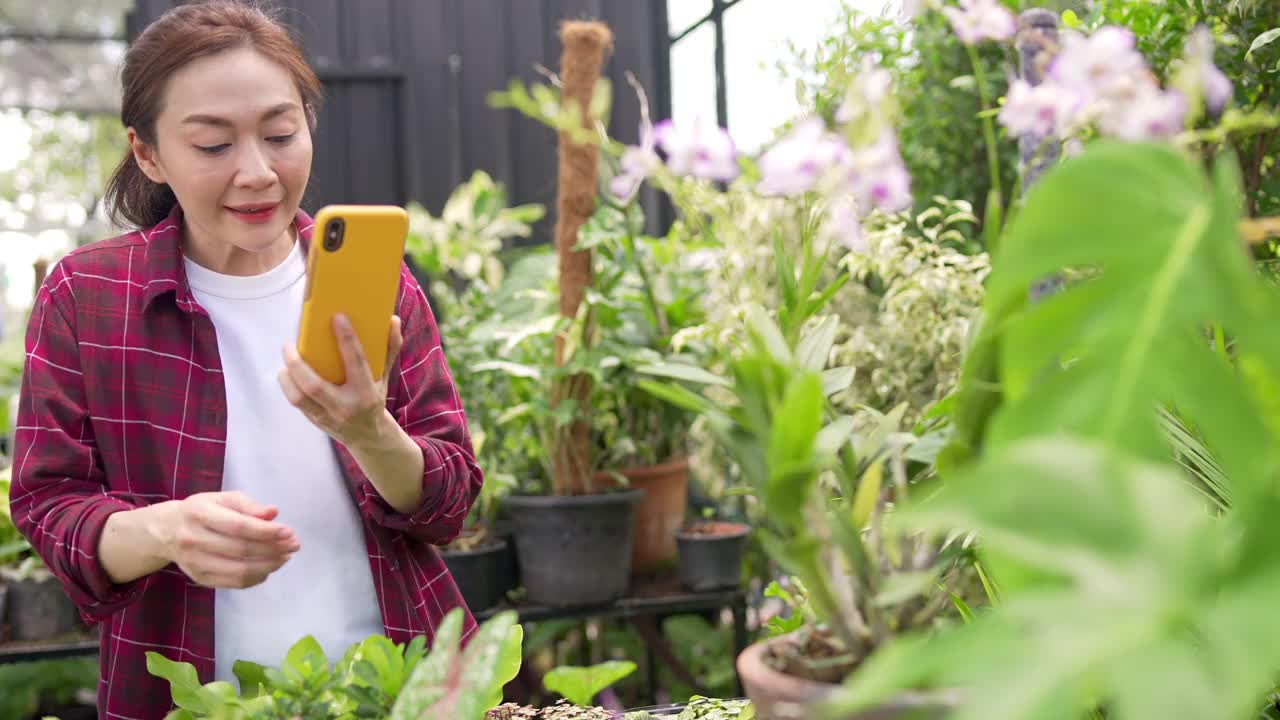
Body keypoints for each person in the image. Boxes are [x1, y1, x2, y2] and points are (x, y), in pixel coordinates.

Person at [7, 3, 483, 718]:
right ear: (148, 153)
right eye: (212, 145)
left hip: (401, 687)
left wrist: (369, 431)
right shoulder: (88, 295)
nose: (258, 172)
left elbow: (449, 506)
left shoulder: (373, 281)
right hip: (192, 698)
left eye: (281, 133)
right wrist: (168, 531)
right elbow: (47, 505)